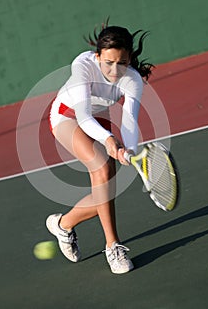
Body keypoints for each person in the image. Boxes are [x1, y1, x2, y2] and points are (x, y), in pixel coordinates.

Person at [46, 22, 153, 274]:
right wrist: (107, 140)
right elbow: (83, 116)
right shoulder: (83, 65)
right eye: (108, 62)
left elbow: (129, 120)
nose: (115, 70)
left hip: (99, 118)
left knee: (105, 191)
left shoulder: (133, 80)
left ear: (129, 58)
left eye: (122, 62)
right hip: (67, 115)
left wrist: (128, 149)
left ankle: (63, 224)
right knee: (102, 168)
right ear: (98, 57)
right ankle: (113, 247)